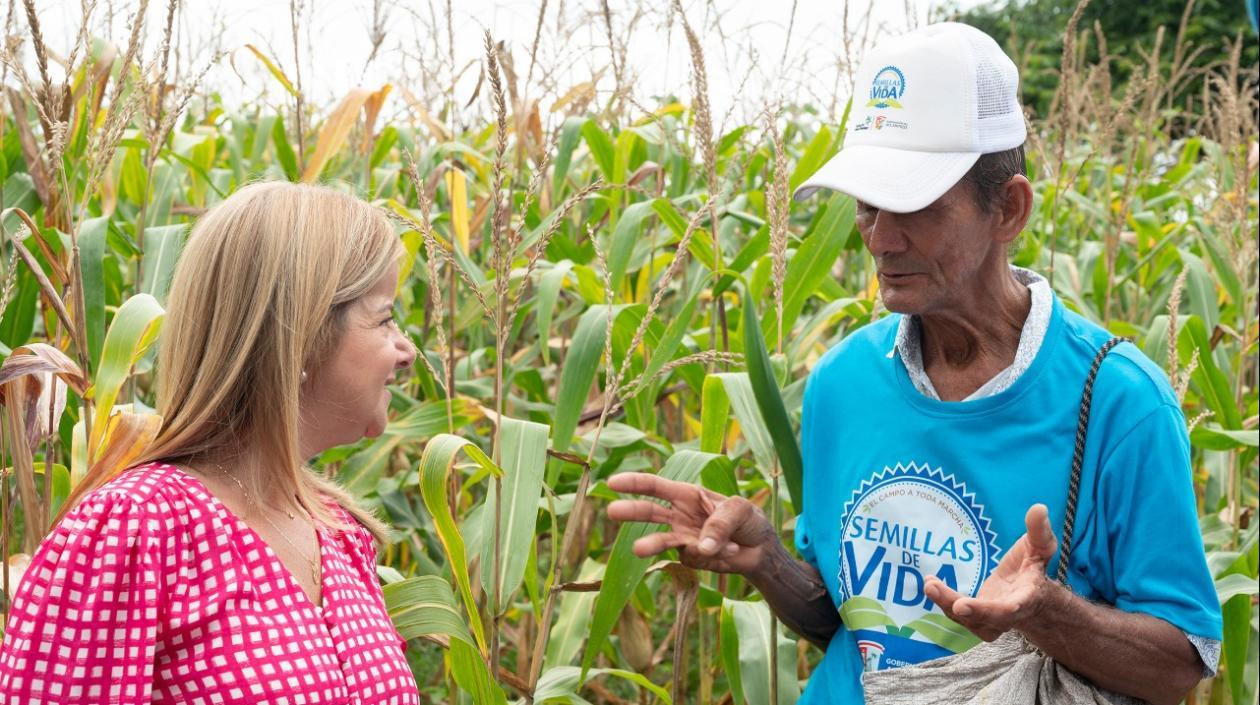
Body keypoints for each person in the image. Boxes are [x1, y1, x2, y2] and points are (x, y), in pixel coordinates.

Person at [607, 22, 1221, 705]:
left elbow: (1179, 666)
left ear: (1009, 209)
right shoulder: (842, 383)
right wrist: (765, 560)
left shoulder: (1119, 402)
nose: (881, 238)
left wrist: (1046, 613)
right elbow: (850, 627)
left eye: (914, 206)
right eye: (868, 205)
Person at [0, 181, 422, 703]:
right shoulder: (132, 532)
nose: (407, 350)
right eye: (385, 319)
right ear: (305, 334)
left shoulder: (339, 533)